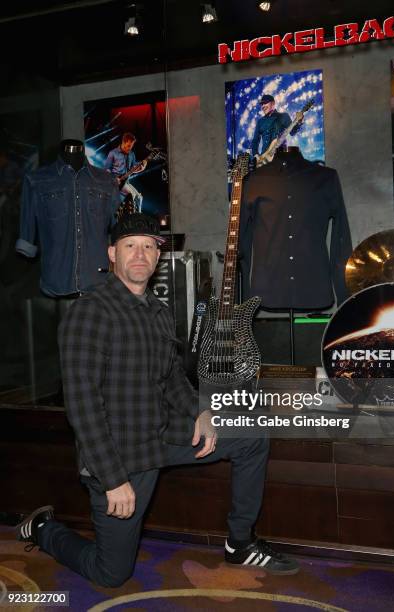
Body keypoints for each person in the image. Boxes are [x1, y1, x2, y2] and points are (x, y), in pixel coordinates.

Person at [16, 213, 299, 587]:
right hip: (118, 455)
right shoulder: (90, 312)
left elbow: (173, 380)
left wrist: (201, 411)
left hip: (159, 433)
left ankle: (239, 543)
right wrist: (113, 479)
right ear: (112, 253)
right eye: (130, 245)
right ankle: (43, 528)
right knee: (111, 573)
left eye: (149, 246)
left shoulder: (159, 313)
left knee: (250, 434)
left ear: (158, 256)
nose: (140, 254)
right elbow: (82, 406)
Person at [104, 133, 147, 212]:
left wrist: (142, 168)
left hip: (126, 182)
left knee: (139, 198)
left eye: (131, 146)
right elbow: (106, 169)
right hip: (115, 183)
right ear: (123, 142)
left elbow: (133, 170)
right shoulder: (113, 153)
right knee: (132, 195)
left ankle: (138, 218)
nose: (130, 148)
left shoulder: (132, 154)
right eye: (128, 146)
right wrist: (114, 178)